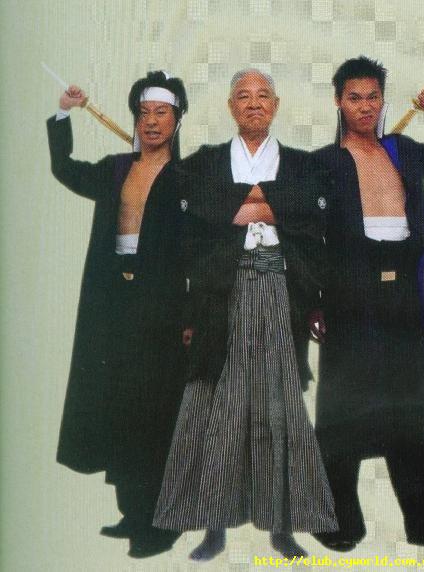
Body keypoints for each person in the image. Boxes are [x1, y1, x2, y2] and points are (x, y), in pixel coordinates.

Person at [152, 69, 337, 560]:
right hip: (221, 290)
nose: (253, 104)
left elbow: (310, 218)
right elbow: (197, 222)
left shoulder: (302, 165)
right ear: (231, 106)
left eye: (262, 96)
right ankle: (214, 526)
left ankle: (282, 525)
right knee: (220, 403)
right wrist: (269, 203)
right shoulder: (204, 163)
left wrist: (242, 204)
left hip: (280, 286)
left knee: (279, 402)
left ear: (276, 104)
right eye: (243, 96)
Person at [311, 56, 424, 551]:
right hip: (349, 294)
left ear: (382, 100)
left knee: (413, 409)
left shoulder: (402, 150)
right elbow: (306, 238)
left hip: (407, 293)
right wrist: (314, 302)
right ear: (338, 101)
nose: (364, 107)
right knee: (344, 407)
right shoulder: (323, 163)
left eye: (373, 97)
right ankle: (336, 521)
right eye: (354, 98)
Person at [46, 71, 188, 558]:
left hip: (163, 305)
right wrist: (63, 113)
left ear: (176, 119)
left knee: (156, 411)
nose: (151, 121)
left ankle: (162, 523)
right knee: (120, 405)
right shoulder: (115, 169)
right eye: (144, 113)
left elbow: (200, 250)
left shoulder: (189, 178)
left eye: (161, 112)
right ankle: (132, 512)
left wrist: (192, 315)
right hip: (115, 301)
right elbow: (64, 169)